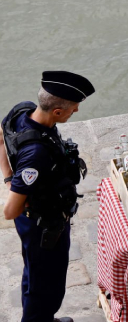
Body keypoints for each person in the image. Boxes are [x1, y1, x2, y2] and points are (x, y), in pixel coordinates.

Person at [1, 71, 95, 322]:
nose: (75, 111)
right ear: (57, 111)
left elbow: (1, 138)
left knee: (35, 276)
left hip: (41, 220)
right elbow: (10, 211)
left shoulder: (23, 112)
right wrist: (13, 181)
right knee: (47, 286)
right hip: (43, 226)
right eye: (73, 108)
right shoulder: (35, 154)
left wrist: (10, 173)